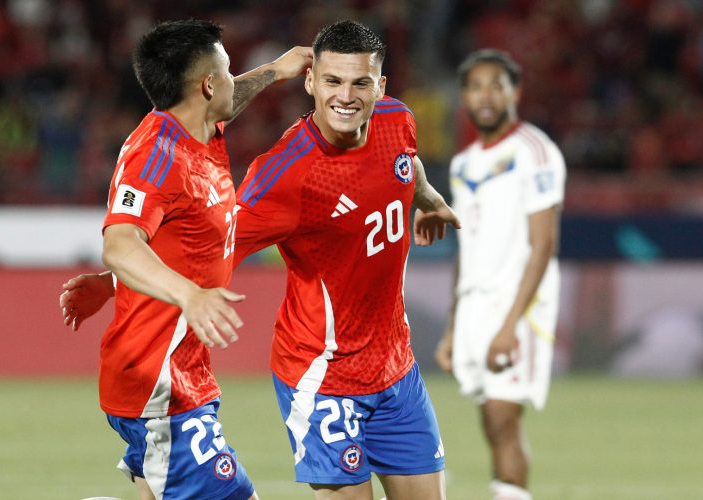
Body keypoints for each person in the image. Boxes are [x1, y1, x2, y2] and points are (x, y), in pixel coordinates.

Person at [62, 20, 459, 500]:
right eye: (333, 81)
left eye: (361, 83)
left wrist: (428, 197)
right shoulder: (271, 174)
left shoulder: (394, 119)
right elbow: (150, 244)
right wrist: (155, 286)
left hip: (392, 370)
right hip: (287, 376)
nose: (346, 96)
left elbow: (404, 158)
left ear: (381, 87)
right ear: (312, 83)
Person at [68, 19, 311, 500]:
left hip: (178, 372)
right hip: (158, 382)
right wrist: (190, 295)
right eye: (226, 70)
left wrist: (276, 72)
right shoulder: (157, 156)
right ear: (206, 84)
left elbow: (226, 100)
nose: (231, 78)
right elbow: (120, 244)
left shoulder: (199, 128)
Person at [433, 49, 566, 500]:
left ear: (516, 92)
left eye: (496, 85)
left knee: (503, 417)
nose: (485, 96)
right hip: (474, 305)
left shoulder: (535, 151)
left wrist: (510, 325)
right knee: (489, 420)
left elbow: (544, 243)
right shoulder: (463, 164)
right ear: (464, 97)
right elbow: (465, 250)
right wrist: (453, 328)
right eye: (475, 87)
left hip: (518, 305)